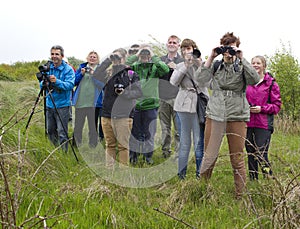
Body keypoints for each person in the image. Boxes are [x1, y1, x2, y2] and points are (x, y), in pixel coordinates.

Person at [197, 32, 260, 198]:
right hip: (216, 114)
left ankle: (241, 195)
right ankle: (201, 190)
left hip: (237, 115)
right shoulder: (216, 65)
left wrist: (242, 58)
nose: (228, 52)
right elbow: (200, 80)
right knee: (209, 155)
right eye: (226, 47)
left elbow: (254, 79)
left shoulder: (242, 66)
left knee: (237, 157)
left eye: (232, 47)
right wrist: (211, 56)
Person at [93, 48, 142, 167]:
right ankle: (110, 171)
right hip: (107, 114)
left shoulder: (131, 74)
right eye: (114, 58)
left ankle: (123, 173)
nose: (116, 60)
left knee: (122, 146)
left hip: (124, 116)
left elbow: (138, 92)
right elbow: (95, 74)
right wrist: (108, 60)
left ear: (124, 58)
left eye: (118, 58)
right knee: (109, 144)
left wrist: (124, 93)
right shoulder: (107, 74)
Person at [170, 38, 209, 179]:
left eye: (189, 49)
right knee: (185, 143)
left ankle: (199, 174)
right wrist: (186, 65)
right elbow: (173, 82)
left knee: (199, 144)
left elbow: (208, 82)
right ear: (181, 52)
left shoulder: (203, 65)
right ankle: (182, 176)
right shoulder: (180, 65)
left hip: (200, 107)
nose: (188, 51)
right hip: (183, 107)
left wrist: (198, 64)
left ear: (195, 49)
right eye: (185, 49)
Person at [126, 44, 170, 165]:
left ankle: (148, 157)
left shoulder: (155, 68)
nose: (145, 56)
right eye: (143, 54)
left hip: (151, 104)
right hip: (136, 104)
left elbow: (165, 69)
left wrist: (153, 55)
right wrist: (137, 53)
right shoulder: (135, 67)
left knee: (149, 133)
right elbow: (125, 64)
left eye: (147, 54)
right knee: (134, 133)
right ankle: (133, 156)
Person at [245, 55, 281, 180]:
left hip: (263, 124)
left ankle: (269, 178)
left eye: (258, 63)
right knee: (250, 154)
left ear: (264, 66)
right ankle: (253, 181)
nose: (255, 65)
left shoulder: (271, 83)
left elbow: (276, 106)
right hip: (248, 123)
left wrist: (262, 108)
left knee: (261, 154)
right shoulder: (247, 83)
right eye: (253, 63)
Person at [41, 45, 75, 152]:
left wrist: (56, 81)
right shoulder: (47, 67)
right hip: (49, 103)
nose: (54, 56)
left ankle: (63, 153)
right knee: (50, 130)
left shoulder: (68, 69)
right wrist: (44, 82)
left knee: (62, 132)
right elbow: (41, 85)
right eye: (52, 54)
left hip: (62, 105)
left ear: (62, 56)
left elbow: (69, 85)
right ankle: (53, 152)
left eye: (57, 54)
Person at [159, 35, 184, 158]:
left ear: (178, 45)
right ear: (167, 44)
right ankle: (165, 151)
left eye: (174, 42)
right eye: (170, 42)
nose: (172, 44)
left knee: (178, 128)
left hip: (178, 98)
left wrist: (177, 68)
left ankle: (178, 153)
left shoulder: (182, 61)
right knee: (165, 128)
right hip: (163, 97)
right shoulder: (160, 60)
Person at [72, 51, 103, 148]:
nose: (92, 58)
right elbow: (74, 82)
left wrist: (94, 75)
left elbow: (102, 85)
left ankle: (93, 145)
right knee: (78, 125)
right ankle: (76, 144)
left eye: (94, 57)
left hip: (94, 103)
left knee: (93, 126)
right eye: (91, 56)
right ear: (87, 58)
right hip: (81, 102)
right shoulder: (81, 68)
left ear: (97, 59)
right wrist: (81, 74)